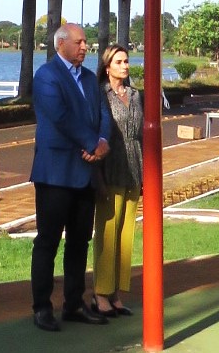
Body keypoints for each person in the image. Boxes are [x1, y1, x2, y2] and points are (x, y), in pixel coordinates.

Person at [28, 22, 111, 332]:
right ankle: (41, 307)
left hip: (84, 175)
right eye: (79, 42)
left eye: (86, 42)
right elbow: (60, 117)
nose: (85, 47)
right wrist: (92, 143)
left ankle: (74, 304)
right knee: (48, 242)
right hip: (55, 174)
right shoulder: (46, 76)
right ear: (60, 44)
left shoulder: (90, 80)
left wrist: (102, 143)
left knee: (79, 241)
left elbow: (103, 115)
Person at [90, 44, 141, 318]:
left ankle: (116, 292)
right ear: (108, 67)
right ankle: (101, 293)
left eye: (127, 61)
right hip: (110, 169)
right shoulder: (100, 95)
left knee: (126, 234)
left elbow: (141, 133)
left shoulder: (135, 95)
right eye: (119, 62)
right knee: (107, 233)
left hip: (134, 168)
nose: (125, 66)